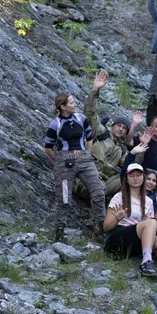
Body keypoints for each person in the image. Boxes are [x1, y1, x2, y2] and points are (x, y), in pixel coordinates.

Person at [44, 92, 107, 241]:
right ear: (63, 107)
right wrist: (59, 161)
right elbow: (47, 148)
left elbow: (89, 138)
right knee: (64, 199)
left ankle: (99, 231)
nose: (75, 104)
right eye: (72, 103)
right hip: (64, 162)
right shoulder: (55, 124)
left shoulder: (81, 118)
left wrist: (87, 156)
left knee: (98, 191)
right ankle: (59, 235)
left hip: (84, 159)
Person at [103, 163, 157, 283]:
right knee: (150, 223)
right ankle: (147, 261)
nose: (135, 178)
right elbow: (106, 227)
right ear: (126, 179)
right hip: (116, 239)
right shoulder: (119, 197)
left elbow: (149, 230)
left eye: (138, 175)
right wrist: (117, 218)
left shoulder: (148, 202)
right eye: (132, 175)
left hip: (135, 241)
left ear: (143, 178)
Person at [84, 70, 142, 196]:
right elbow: (90, 115)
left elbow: (131, 165)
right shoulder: (100, 132)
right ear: (112, 125)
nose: (121, 129)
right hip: (85, 178)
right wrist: (95, 90)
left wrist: (142, 147)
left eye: (124, 128)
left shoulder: (121, 150)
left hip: (102, 186)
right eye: (118, 126)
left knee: (129, 176)